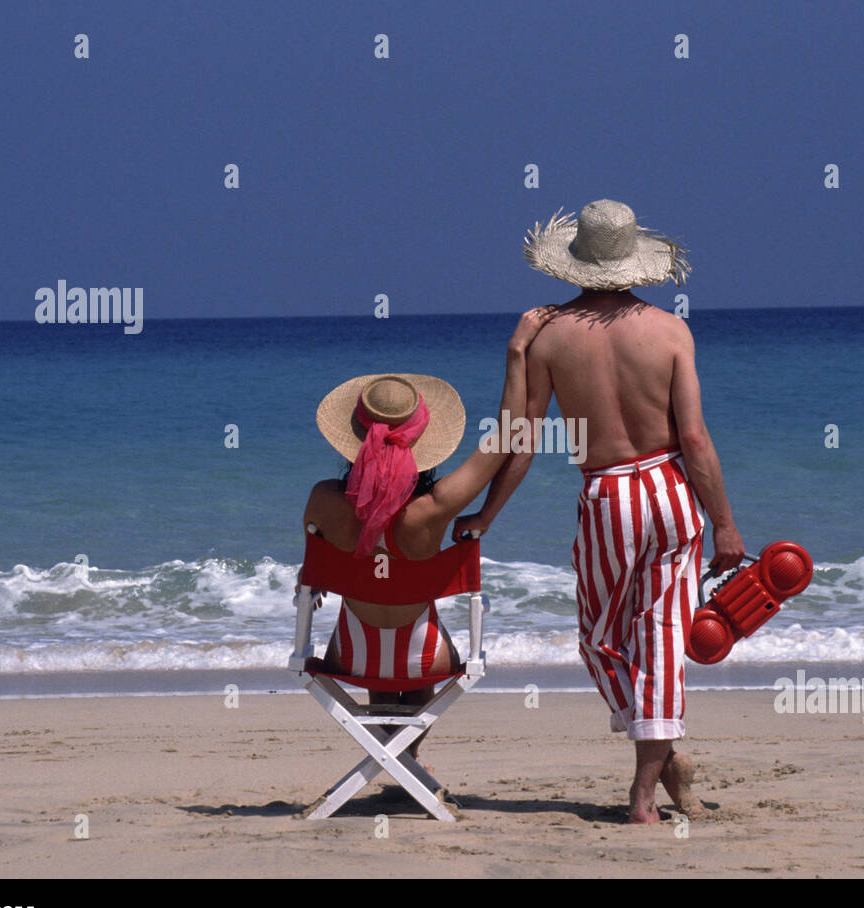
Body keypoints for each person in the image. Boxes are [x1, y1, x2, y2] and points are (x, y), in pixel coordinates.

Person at [454, 199, 745, 823]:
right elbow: (693, 437)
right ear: (637, 262)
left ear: (574, 263)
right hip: (669, 489)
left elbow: (521, 440)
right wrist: (722, 520)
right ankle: (661, 757)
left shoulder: (550, 337)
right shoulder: (670, 331)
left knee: (600, 639)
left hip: (608, 495)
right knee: (662, 636)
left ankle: (649, 780)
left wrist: (485, 516)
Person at [303, 307, 553, 763]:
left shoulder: (323, 500)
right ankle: (405, 758)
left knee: (379, 661)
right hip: (423, 657)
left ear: (354, 438)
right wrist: (517, 352)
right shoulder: (436, 507)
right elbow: (510, 434)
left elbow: (313, 557)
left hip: (351, 657)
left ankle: (392, 760)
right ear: (424, 441)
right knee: (416, 664)